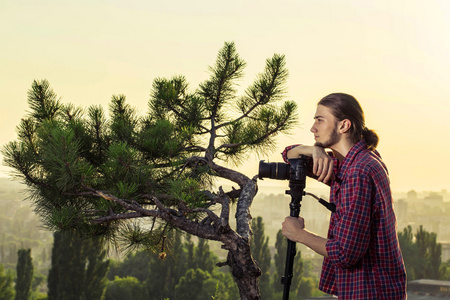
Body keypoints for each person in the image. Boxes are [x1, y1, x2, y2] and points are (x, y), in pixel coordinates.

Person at [281, 93, 407, 299]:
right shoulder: (356, 161)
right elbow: (288, 155)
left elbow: (345, 254)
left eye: (320, 120)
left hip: (370, 292)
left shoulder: (358, 172)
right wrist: (313, 150)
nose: (313, 128)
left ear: (343, 126)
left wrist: (299, 234)